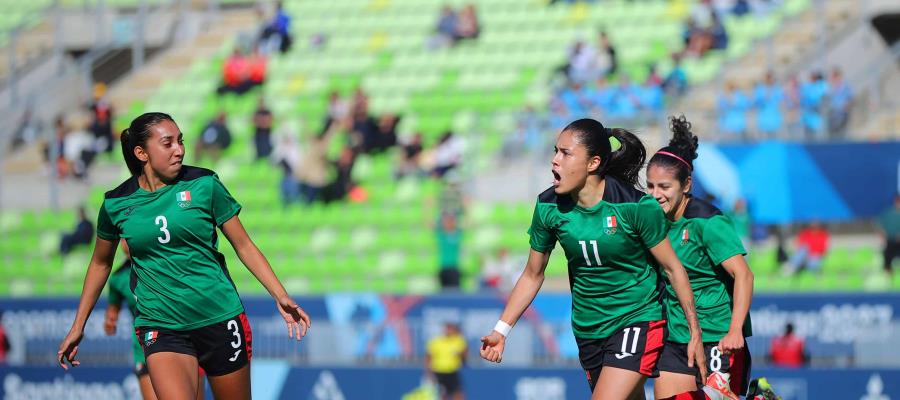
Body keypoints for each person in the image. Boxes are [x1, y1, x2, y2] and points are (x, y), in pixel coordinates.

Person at [57, 112, 312, 400]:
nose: (179, 149)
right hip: (161, 326)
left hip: (218, 316)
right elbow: (101, 263)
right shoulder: (116, 203)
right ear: (141, 152)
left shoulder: (204, 184)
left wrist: (280, 295)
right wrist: (79, 325)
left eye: (180, 141)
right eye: (168, 143)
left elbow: (244, 245)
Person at [479, 118, 707, 400]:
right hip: (589, 329)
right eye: (555, 151)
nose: (554, 161)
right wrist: (501, 331)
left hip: (637, 319)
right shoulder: (548, 207)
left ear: (593, 163)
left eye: (565, 153)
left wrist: (695, 333)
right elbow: (532, 274)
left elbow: (674, 269)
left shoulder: (634, 207)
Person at [646, 116, 754, 399]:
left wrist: (734, 331)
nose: (655, 195)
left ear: (687, 185)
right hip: (676, 336)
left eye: (664, 187)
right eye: (651, 186)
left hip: (718, 338)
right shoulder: (652, 221)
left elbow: (743, 274)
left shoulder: (708, 222)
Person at [104, 240, 205, 400]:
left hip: (183, 342)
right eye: (122, 239)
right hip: (144, 349)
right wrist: (110, 320)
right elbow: (112, 309)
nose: (127, 243)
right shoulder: (118, 278)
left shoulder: (164, 265)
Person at [425, 322, 467, 400]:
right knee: (442, 394)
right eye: (447, 329)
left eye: (451, 329)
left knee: (458, 393)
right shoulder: (436, 341)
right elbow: (429, 357)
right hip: (439, 371)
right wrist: (428, 371)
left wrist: (460, 354)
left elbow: (465, 353)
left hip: (452, 371)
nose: (448, 331)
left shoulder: (458, 340)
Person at [436, 212, 463, 291]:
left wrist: (467, 207)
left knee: (455, 292)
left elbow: (469, 224)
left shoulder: (458, 234)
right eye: (446, 221)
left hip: (454, 267)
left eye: (450, 221)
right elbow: (428, 224)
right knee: (443, 293)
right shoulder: (441, 235)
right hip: (443, 267)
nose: (448, 223)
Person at [878, 194, 900, 275]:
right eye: (898, 201)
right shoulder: (888, 214)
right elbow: (879, 225)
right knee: (887, 258)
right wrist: (883, 236)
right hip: (891, 241)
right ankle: (889, 276)